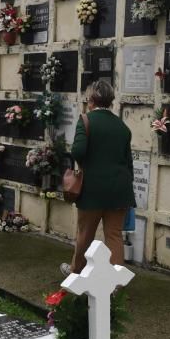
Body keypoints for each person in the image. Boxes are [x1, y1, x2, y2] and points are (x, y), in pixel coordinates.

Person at [61, 79, 134, 275]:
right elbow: (128, 161)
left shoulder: (86, 120)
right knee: (114, 235)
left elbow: (77, 151)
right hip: (120, 189)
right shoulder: (122, 126)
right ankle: (117, 281)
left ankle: (76, 272)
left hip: (92, 189)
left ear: (92, 100)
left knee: (85, 233)